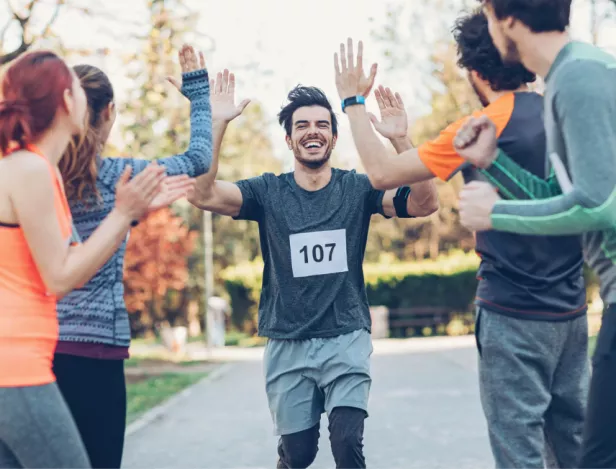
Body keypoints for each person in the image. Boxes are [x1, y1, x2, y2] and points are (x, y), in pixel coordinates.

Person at [332, 12, 588, 468]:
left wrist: (353, 102)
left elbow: (382, 176)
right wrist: (402, 138)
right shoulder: (565, 110)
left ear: (474, 72)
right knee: (575, 447)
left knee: (519, 452)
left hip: (513, 316)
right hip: (571, 313)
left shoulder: (481, 126)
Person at [188, 69, 438, 468]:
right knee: (299, 455)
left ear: (334, 137)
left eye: (322, 124)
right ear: (289, 139)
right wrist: (216, 123)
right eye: (301, 125)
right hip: (288, 342)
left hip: (346, 336)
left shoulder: (357, 188)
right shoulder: (267, 192)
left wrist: (399, 140)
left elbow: (426, 202)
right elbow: (201, 194)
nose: (312, 131)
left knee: (346, 443)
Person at [451, 1, 616, 467]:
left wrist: (497, 214)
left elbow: (596, 206)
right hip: (602, 299)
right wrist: (493, 163)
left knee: (598, 456)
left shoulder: (579, 77)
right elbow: (565, 193)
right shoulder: (570, 75)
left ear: (505, 19)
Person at [0, 50, 184, 468]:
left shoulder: (31, 168)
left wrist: (127, 216)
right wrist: (122, 214)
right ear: (67, 102)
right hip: (15, 367)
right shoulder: (28, 169)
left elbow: (67, 262)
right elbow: (60, 277)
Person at [51, 44, 212, 469]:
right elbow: (198, 157)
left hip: (39, 349)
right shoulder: (123, 177)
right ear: (110, 112)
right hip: (96, 349)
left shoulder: (38, 176)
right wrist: (199, 95)